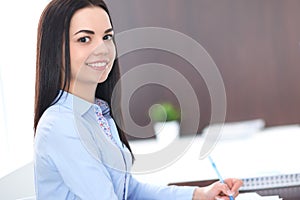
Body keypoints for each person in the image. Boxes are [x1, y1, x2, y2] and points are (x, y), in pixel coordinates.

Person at [33, 0, 243, 199]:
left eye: (107, 37)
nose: (103, 49)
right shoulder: (62, 125)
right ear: (56, 50)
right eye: (84, 39)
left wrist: (200, 195)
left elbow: (129, 191)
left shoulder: (98, 114)